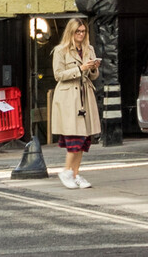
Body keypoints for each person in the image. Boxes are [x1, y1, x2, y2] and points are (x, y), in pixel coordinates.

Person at [49, 17, 101, 190]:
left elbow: (94, 76)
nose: (81, 34)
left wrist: (93, 67)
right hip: (68, 98)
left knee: (85, 138)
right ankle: (66, 171)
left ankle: (75, 174)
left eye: (83, 31)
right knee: (74, 137)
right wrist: (80, 69)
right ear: (71, 32)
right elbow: (58, 75)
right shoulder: (60, 50)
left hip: (85, 96)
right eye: (77, 31)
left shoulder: (89, 49)